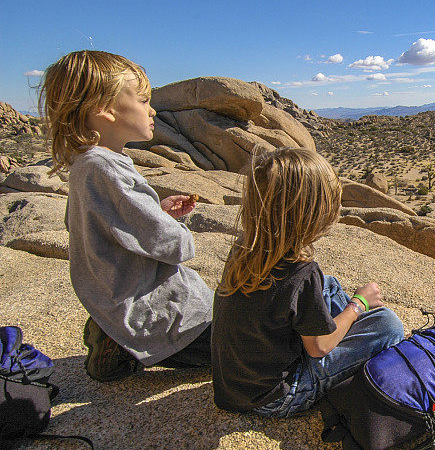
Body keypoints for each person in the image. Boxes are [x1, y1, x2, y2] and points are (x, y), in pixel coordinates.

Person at [38, 50, 213, 382]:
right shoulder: (106, 168)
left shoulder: (90, 164)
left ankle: (113, 331)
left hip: (122, 298)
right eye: (144, 101)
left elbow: (103, 228)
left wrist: (155, 212)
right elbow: (175, 247)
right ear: (104, 110)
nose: (153, 110)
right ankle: (119, 345)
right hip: (157, 314)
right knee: (252, 349)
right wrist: (175, 230)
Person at [212, 146, 405, 417]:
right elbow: (318, 348)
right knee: (388, 325)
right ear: (312, 215)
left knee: (329, 284)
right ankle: (350, 329)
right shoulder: (301, 274)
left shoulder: (245, 249)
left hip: (234, 386)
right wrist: (358, 305)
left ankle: (341, 326)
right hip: (276, 397)